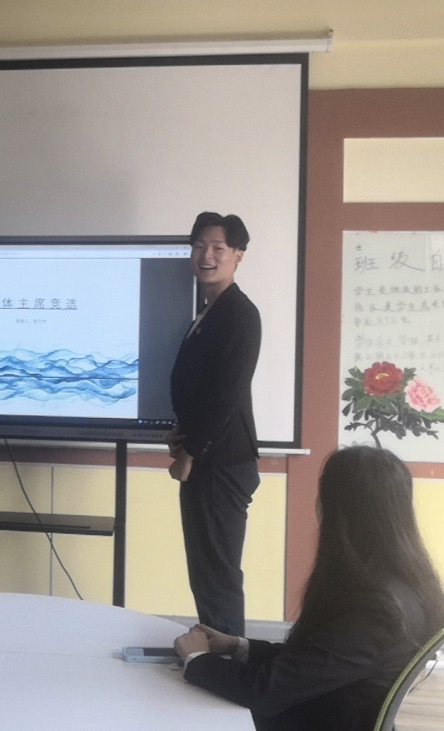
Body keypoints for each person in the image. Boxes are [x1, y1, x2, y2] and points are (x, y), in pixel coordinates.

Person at [174, 446, 444, 730]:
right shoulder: (398, 583)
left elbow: (265, 692)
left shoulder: (377, 609)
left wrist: (198, 659)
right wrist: (238, 646)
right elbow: (314, 661)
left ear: (335, 509)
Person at [167, 211, 261, 636]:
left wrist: (190, 453)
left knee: (218, 574)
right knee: (205, 570)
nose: (206, 255)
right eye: (199, 246)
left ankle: (227, 663)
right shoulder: (211, 310)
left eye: (218, 248)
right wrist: (181, 433)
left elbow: (227, 395)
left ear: (238, 255)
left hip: (222, 463)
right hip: (209, 457)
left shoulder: (239, 313)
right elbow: (202, 390)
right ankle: (211, 653)